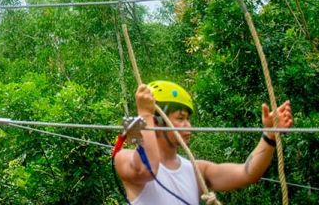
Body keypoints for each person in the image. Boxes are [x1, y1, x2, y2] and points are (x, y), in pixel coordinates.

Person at [113, 80, 293, 204]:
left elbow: (248, 173)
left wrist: (269, 135)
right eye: (180, 118)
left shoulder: (196, 171)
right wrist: (145, 115)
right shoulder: (125, 158)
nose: (188, 126)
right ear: (158, 120)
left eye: (188, 119)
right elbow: (146, 171)